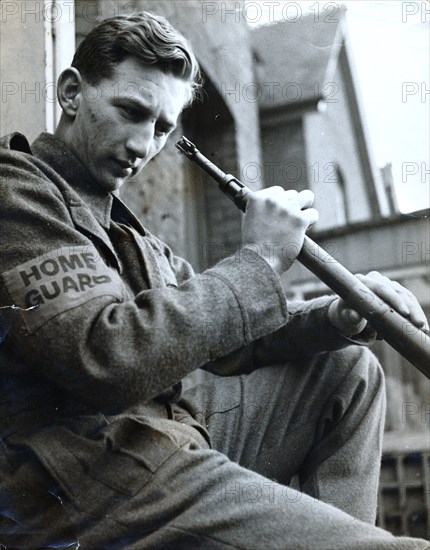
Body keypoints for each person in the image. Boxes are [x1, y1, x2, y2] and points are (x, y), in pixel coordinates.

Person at [0, 11, 428, 550]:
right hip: (89, 478)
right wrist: (261, 257)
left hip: (163, 437)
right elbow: (108, 357)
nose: (142, 145)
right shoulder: (18, 189)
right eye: (131, 111)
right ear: (70, 94)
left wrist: (336, 317)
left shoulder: (127, 230)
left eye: (161, 128)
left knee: (345, 366)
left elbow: (223, 342)